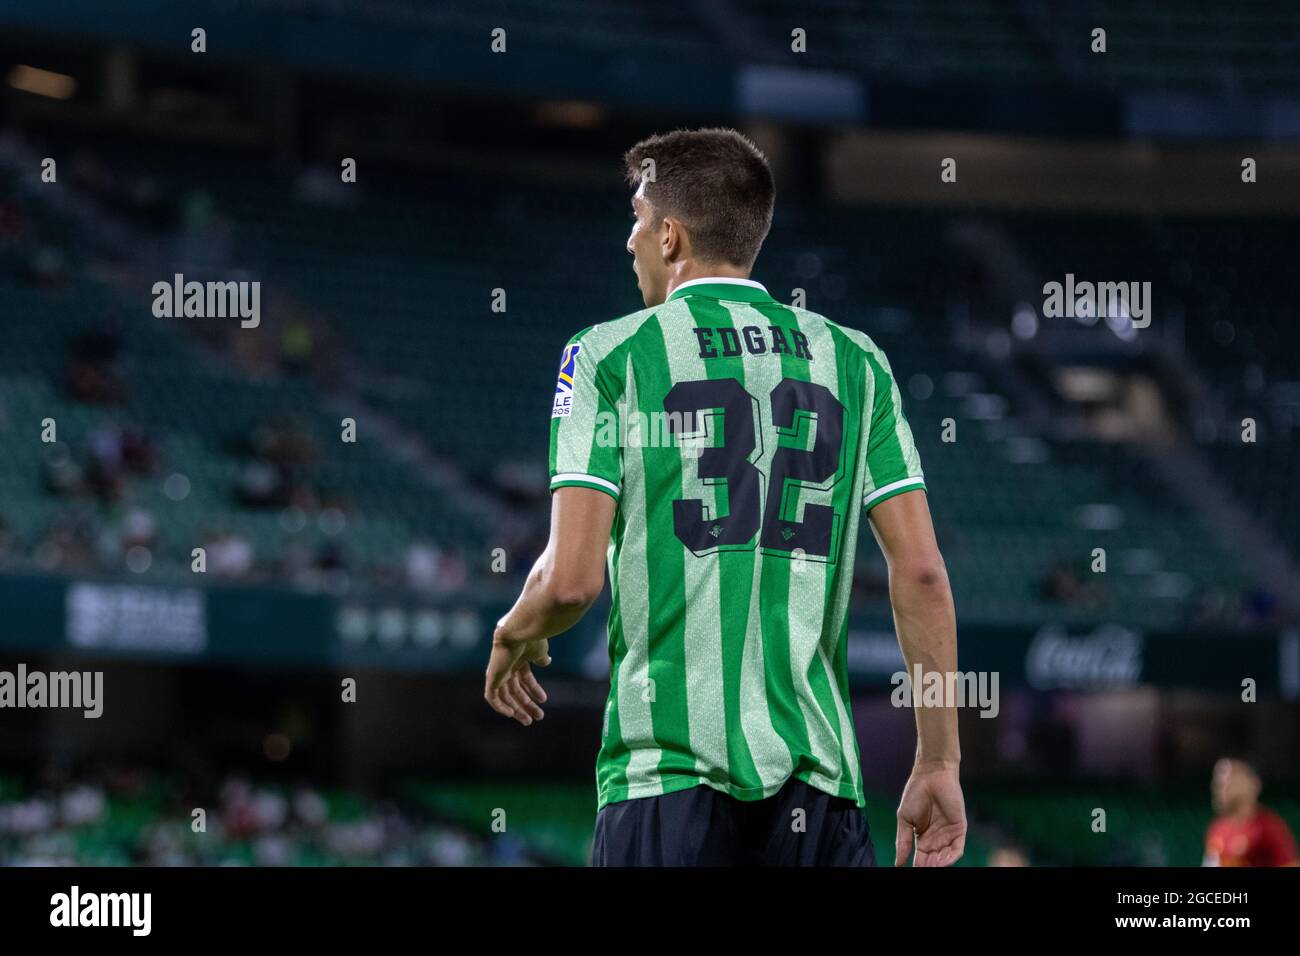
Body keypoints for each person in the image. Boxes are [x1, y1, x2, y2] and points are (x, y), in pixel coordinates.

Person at [484, 128, 964, 866]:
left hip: (664, 779)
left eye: (638, 219)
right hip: (819, 790)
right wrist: (938, 762)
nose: (630, 241)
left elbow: (570, 581)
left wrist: (517, 629)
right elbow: (924, 575)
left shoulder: (607, 354)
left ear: (671, 237)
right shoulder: (856, 360)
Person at [1203, 757, 1298, 866]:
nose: (1221, 786)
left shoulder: (1269, 828)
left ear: (1253, 784)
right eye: (1218, 780)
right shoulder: (1217, 829)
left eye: (1230, 778)